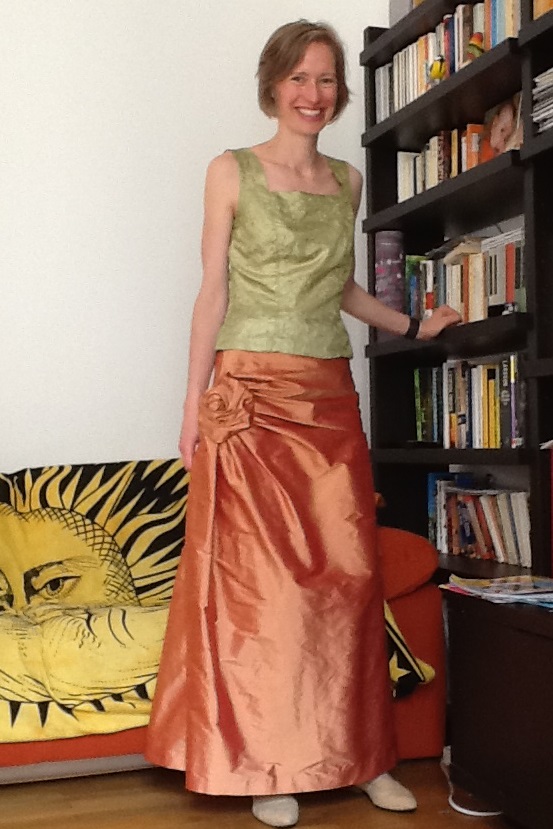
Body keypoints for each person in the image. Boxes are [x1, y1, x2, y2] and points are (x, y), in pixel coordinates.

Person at [145, 19, 460, 828]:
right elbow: (212, 289)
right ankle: (266, 762)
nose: (312, 94)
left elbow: (339, 289)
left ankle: (363, 757)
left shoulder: (347, 182)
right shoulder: (230, 169)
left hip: (327, 396)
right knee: (265, 589)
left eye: (325, 79)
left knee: (346, 581)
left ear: (337, 91)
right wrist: (192, 405)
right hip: (250, 394)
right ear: (272, 86)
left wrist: (411, 325)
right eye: (298, 78)